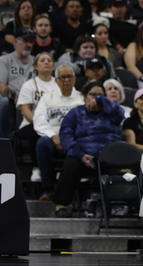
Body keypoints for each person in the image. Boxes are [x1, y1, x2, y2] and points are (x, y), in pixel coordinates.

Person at [53, 81, 123, 217]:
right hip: (84, 156)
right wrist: (80, 155)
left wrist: (101, 100)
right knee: (70, 165)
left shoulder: (111, 113)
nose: (96, 98)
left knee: (125, 169)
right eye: (93, 95)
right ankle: (61, 205)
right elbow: (66, 136)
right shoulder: (75, 113)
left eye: (100, 95)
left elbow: (120, 113)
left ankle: (120, 206)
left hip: (109, 158)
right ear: (85, 96)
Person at [33, 64, 84, 201]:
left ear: (74, 79)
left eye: (69, 77)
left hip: (75, 139)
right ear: (56, 80)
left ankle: (76, 189)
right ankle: (48, 189)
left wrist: (68, 139)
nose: (66, 80)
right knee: (42, 143)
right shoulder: (47, 98)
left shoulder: (82, 98)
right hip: (53, 139)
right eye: (63, 77)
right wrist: (53, 136)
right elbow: (39, 121)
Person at [16, 53, 60, 182]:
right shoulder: (29, 85)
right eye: (42, 60)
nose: (46, 62)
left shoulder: (59, 84)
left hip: (55, 124)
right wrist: (41, 124)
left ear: (53, 65)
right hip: (31, 124)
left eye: (49, 60)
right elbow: (25, 110)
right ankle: (36, 169)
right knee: (37, 132)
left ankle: (59, 169)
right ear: (35, 66)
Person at [0, 27, 35, 139]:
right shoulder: (4, 60)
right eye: (25, 41)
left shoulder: (36, 62)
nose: (29, 44)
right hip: (12, 102)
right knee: (4, 102)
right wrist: (15, 97)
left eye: (31, 42)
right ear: (15, 41)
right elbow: (0, 86)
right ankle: (2, 143)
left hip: (32, 102)